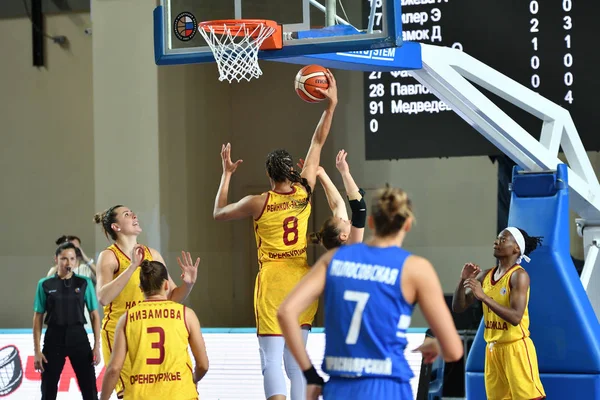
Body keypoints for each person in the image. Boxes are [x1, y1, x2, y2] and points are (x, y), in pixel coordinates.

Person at [213, 70, 337, 400]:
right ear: (292, 172)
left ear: (269, 175)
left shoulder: (258, 202)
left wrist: (226, 175)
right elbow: (318, 142)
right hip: (301, 277)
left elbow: (218, 212)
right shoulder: (305, 191)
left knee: (270, 360)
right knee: (295, 362)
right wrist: (331, 105)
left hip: (272, 280)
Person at [278, 186, 464, 400]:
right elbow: (454, 351)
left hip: (340, 387)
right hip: (388, 387)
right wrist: (436, 344)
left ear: (372, 223)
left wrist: (311, 376)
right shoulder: (415, 269)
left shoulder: (334, 260)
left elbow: (286, 312)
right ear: (408, 224)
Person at [94, 205, 200, 399]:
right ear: (116, 227)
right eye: (127, 214)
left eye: (132, 212)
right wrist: (133, 266)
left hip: (146, 330)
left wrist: (188, 285)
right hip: (121, 333)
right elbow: (103, 297)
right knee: (130, 393)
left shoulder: (152, 254)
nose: (134, 215)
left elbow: (172, 297)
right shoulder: (109, 256)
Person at [452, 227, 546, 400]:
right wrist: (462, 280)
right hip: (493, 350)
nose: (496, 242)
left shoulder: (519, 276)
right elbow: (458, 308)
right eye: (497, 238)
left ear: (516, 248)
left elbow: (516, 317)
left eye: (503, 240)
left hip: (515, 348)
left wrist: (484, 297)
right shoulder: (485, 275)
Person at [100, 259, 209, 400]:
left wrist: (103, 398)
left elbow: (114, 369)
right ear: (166, 285)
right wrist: (193, 379)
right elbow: (203, 365)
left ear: (140, 288)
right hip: (180, 394)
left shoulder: (126, 319)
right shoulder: (186, 314)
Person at [33, 242, 101, 400]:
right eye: (64, 258)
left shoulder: (84, 283)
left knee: (89, 387)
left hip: (78, 337)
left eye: (72, 258)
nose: (68, 262)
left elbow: (94, 315)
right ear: (56, 259)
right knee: (48, 388)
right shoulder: (44, 284)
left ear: (76, 261)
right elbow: (38, 317)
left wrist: (96, 346)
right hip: (54, 338)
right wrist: (37, 350)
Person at [306, 149, 366, 249]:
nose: (347, 220)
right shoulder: (351, 249)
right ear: (343, 236)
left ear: (343, 236)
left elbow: (338, 204)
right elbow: (359, 209)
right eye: (343, 220)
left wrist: (321, 173)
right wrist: (345, 172)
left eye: (343, 220)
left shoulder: (347, 245)